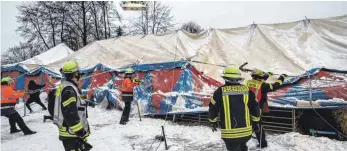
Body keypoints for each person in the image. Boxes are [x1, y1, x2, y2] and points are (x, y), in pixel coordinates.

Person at [209, 65, 261, 151]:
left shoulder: (220, 92)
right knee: (243, 147)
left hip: (230, 135)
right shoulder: (247, 90)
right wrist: (256, 122)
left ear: (225, 78)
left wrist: (212, 121)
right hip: (246, 133)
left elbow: (212, 108)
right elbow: (255, 107)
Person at [53, 60, 92, 151]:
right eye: (78, 73)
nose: (79, 75)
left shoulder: (68, 86)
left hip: (71, 132)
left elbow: (74, 101)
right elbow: (70, 114)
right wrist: (80, 131)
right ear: (75, 74)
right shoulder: (69, 90)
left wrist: (85, 97)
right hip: (71, 133)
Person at [245, 69, 287, 148]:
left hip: (245, 108)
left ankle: (244, 141)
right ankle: (263, 144)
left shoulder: (247, 83)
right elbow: (275, 86)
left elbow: (260, 80)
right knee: (258, 127)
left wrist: (268, 74)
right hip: (256, 110)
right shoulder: (263, 86)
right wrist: (282, 77)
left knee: (247, 125)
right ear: (261, 77)